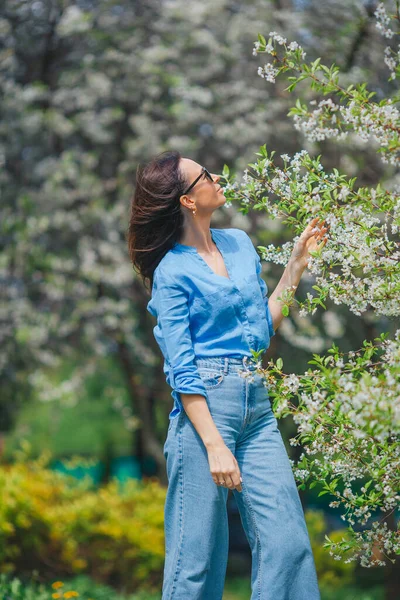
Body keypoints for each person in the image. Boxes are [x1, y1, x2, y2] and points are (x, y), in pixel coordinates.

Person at [127, 150, 329, 600]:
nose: (217, 176)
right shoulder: (171, 273)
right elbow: (181, 368)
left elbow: (260, 328)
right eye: (204, 175)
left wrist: (295, 265)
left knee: (288, 543)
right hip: (204, 415)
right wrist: (216, 446)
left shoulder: (239, 244)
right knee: (196, 558)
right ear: (186, 200)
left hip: (255, 407)